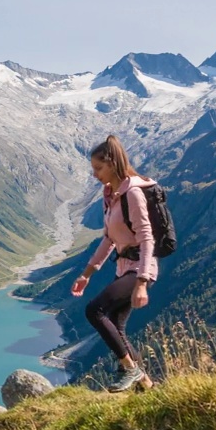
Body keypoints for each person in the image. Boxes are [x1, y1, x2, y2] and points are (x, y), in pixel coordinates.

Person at [71, 134, 158, 393]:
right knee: (116, 326)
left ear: (112, 163)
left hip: (140, 268)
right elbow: (109, 238)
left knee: (94, 310)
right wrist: (86, 274)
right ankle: (148, 387)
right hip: (124, 268)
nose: (95, 174)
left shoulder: (133, 193)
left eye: (99, 168)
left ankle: (131, 370)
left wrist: (141, 282)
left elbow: (146, 238)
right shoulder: (111, 195)